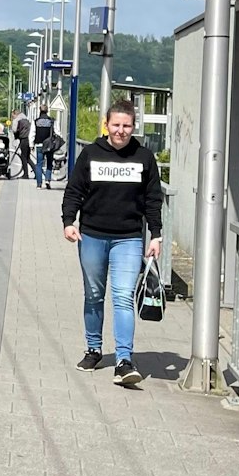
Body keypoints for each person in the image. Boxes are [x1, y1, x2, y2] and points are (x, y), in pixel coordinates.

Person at [61, 100, 163, 386]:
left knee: (123, 297)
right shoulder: (90, 154)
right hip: (91, 236)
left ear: (134, 126)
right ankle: (93, 349)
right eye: (116, 125)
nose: (121, 130)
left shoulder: (144, 158)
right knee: (94, 294)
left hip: (128, 239)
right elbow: (74, 190)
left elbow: (153, 199)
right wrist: (68, 222)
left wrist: (155, 235)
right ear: (106, 125)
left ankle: (123, 360)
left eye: (126, 125)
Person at [30, 108, 57, 188]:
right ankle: (47, 180)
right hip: (49, 145)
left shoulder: (36, 121)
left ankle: (39, 184)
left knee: (39, 164)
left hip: (39, 145)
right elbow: (57, 132)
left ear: (40, 111)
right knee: (49, 163)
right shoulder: (52, 121)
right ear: (47, 111)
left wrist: (31, 145)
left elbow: (32, 133)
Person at [13, 112, 32, 176]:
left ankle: (26, 174)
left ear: (15, 114)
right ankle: (35, 171)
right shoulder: (26, 120)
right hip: (28, 139)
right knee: (27, 158)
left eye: (13, 116)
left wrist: (16, 137)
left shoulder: (18, 120)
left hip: (23, 139)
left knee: (23, 157)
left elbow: (15, 130)